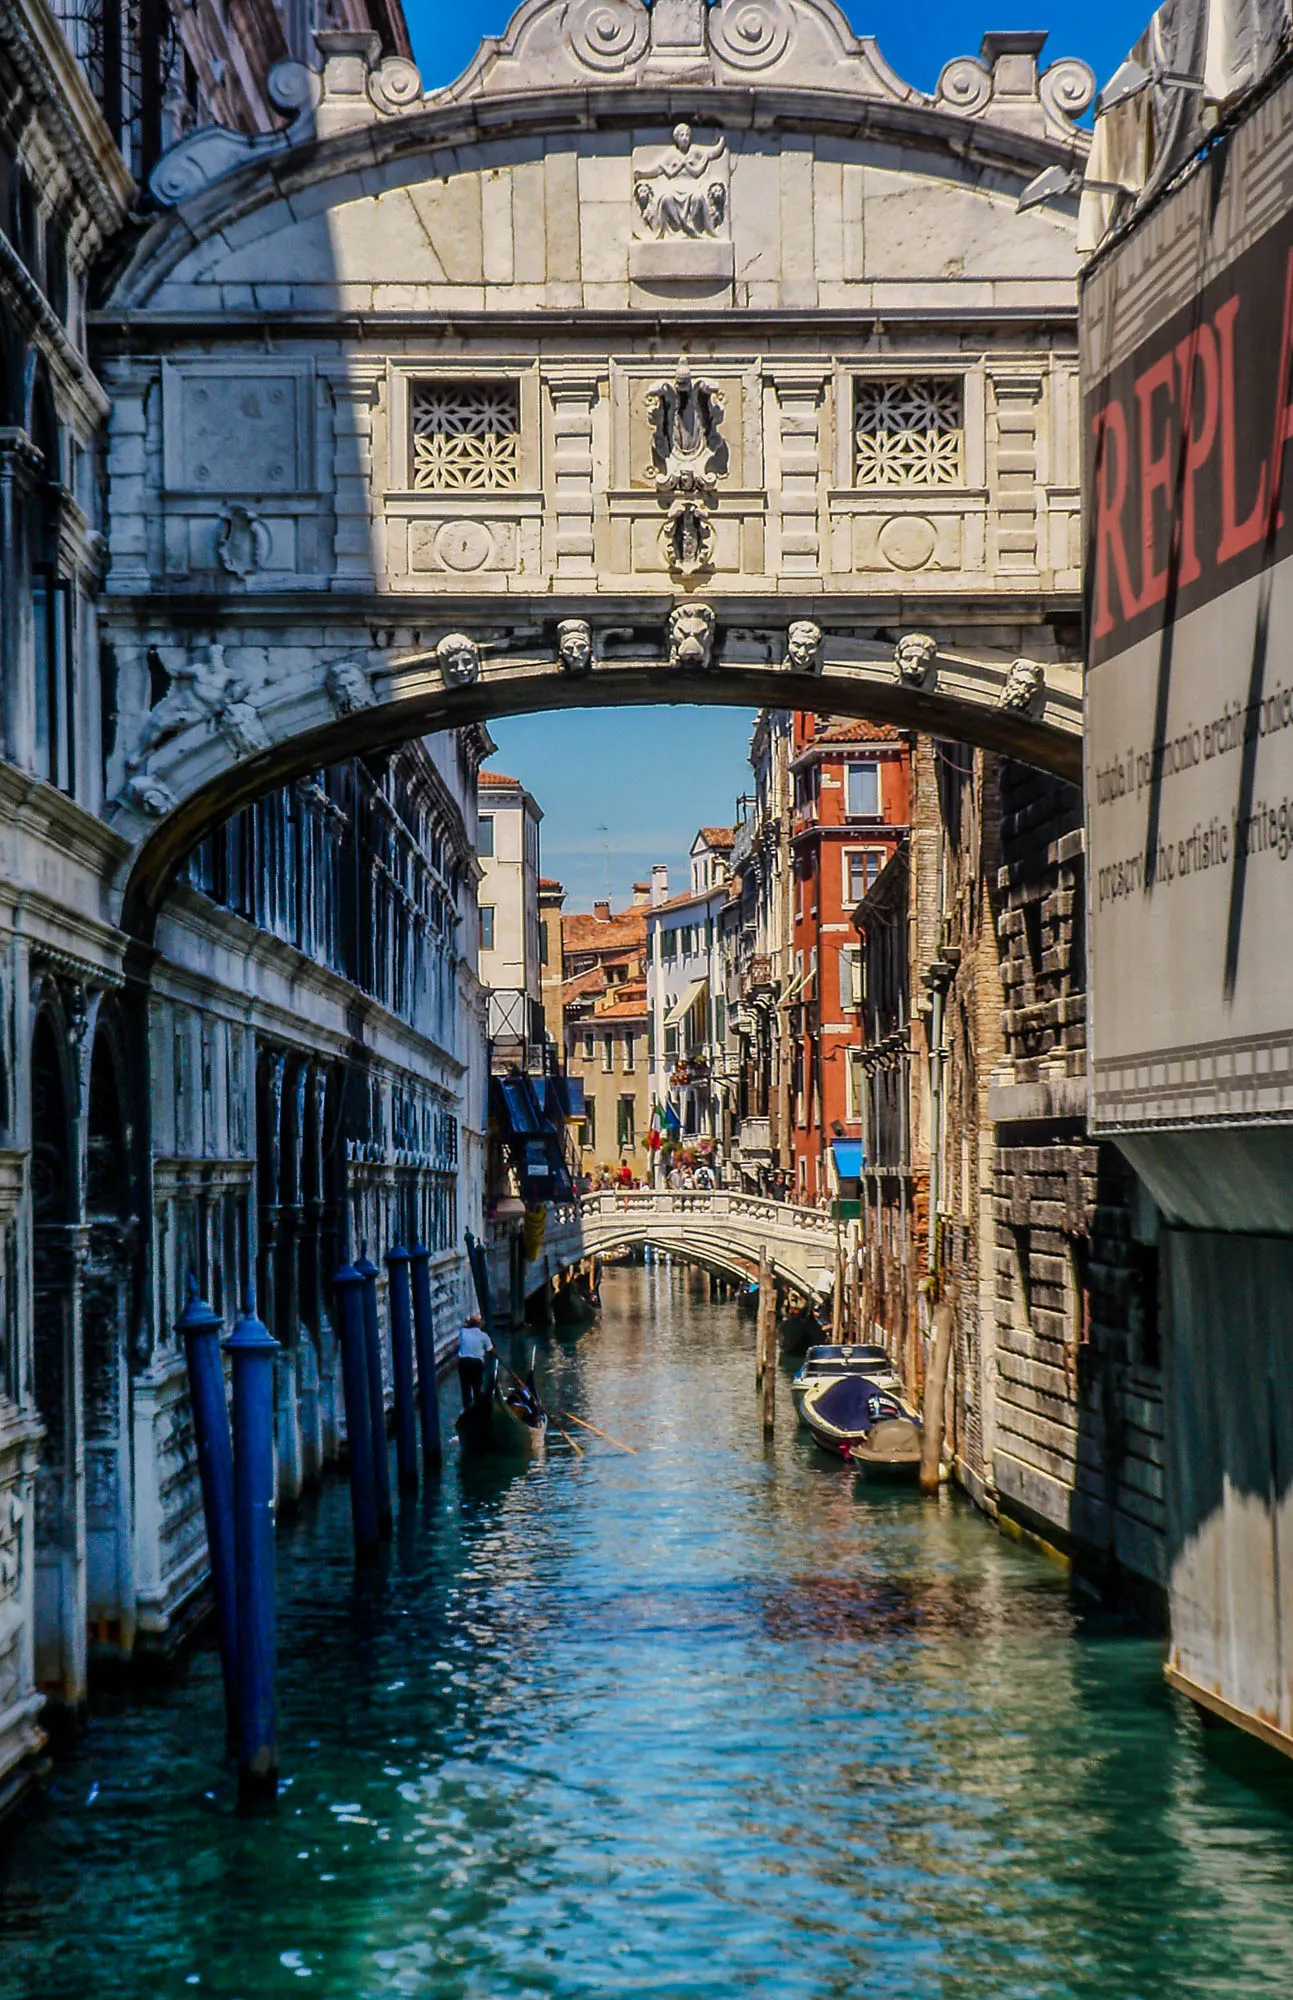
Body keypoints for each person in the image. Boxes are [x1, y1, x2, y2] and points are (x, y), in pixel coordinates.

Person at [458, 1312, 494, 1408]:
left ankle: (467, 1408)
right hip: (476, 1363)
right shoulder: (484, 1336)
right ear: (479, 1325)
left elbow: (464, 1326)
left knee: (465, 1388)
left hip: (463, 1362)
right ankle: (478, 1407)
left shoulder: (463, 1332)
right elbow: (490, 1349)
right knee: (477, 1387)